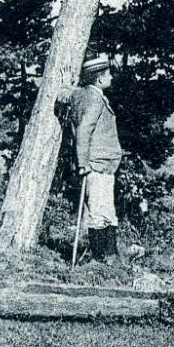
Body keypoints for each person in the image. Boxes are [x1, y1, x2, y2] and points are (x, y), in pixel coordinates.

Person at [62, 53, 123, 261]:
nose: (111, 78)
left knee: (104, 209)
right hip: (97, 165)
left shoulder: (81, 94)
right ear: (99, 79)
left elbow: (66, 95)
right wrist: (83, 163)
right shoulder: (96, 99)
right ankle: (102, 257)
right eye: (108, 75)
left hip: (98, 164)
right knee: (101, 212)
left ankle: (109, 256)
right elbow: (83, 131)